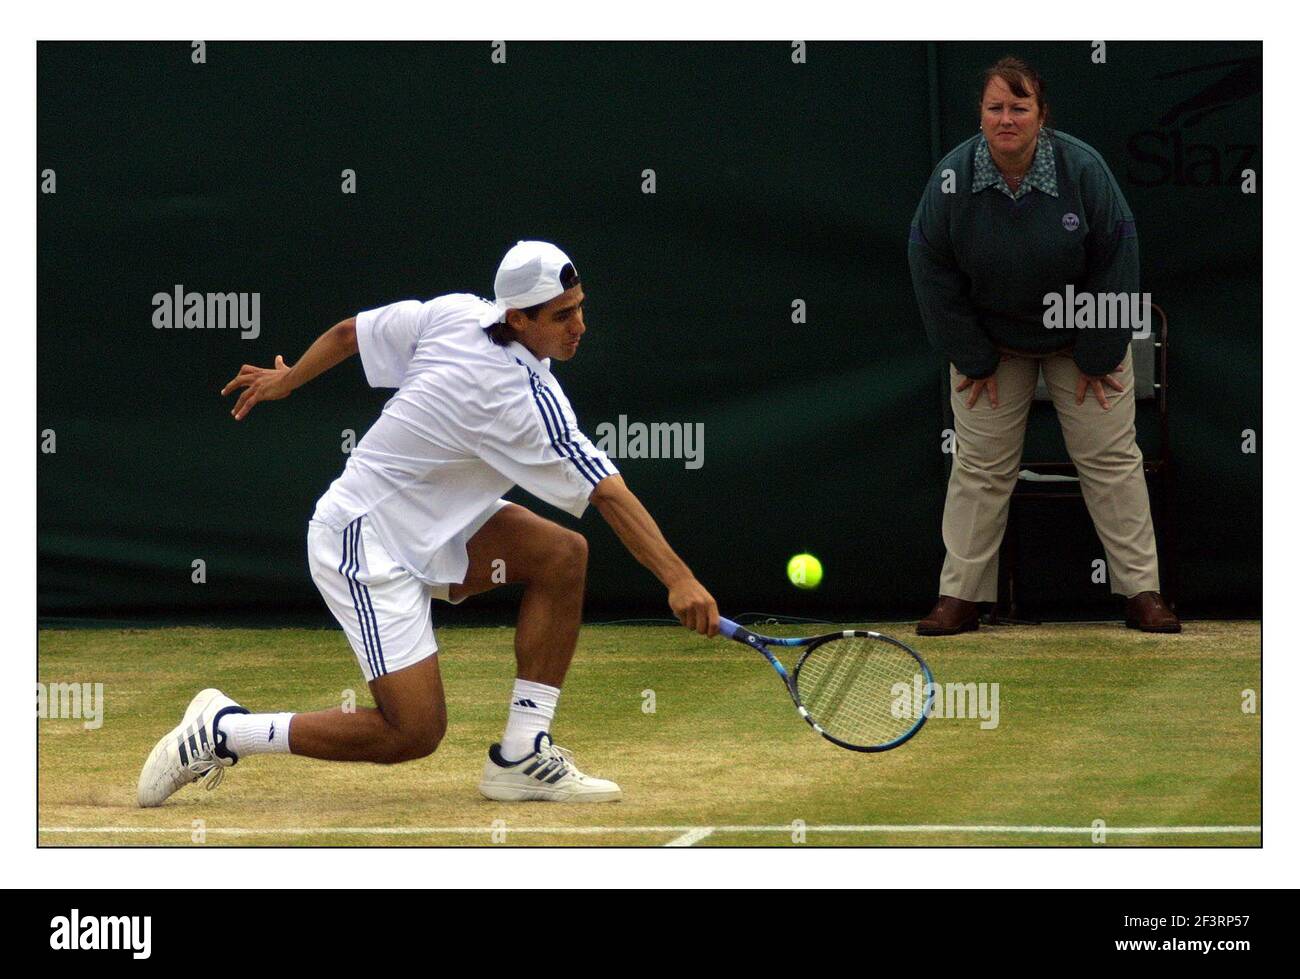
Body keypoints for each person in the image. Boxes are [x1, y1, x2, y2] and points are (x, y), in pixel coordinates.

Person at [138, 240, 720, 807]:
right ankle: (223, 731)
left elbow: (349, 335)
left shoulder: (455, 311)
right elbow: (609, 495)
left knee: (562, 554)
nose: (580, 325)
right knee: (412, 733)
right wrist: (680, 579)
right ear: (517, 318)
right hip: (364, 539)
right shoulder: (525, 399)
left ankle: (521, 756)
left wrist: (286, 382)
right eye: (562, 314)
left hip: (439, 528)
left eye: (581, 306)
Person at [907, 56, 1179, 636]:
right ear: (980, 116)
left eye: (1019, 107)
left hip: (1083, 337)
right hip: (991, 343)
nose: (1007, 118)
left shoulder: (1083, 169)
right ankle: (959, 598)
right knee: (979, 467)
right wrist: (973, 356)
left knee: (1110, 460)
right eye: (996, 108)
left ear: (1041, 115)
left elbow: (1118, 255)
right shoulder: (951, 178)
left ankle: (1142, 593)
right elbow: (930, 267)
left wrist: (1100, 351)